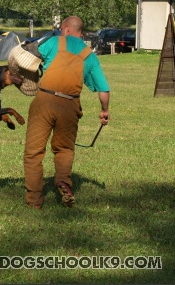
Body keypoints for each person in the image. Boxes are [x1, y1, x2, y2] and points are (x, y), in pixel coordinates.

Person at [23, 16, 110, 208]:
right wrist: (104, 111)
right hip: (69, 105)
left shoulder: (53, 42)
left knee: (33, 153)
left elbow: (28, 56)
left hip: (44, 101)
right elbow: (104, 89)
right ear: (81, 32)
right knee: (64, 149)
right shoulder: (90, 56)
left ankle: (34, 200)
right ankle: (63, 181)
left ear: (66, 29)